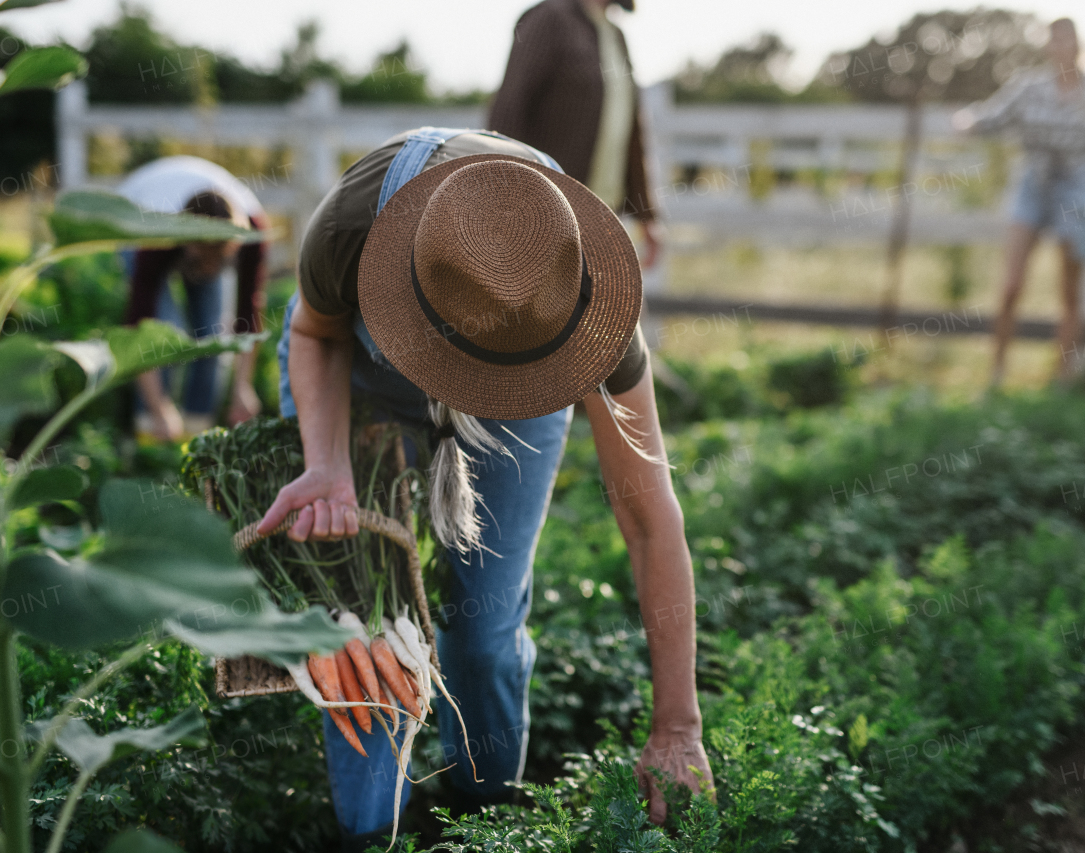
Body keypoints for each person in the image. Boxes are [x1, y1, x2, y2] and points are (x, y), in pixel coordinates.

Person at [256, 127, 712, 851]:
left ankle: (485, 820)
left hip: (520, 395)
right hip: (357, 376)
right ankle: (370, 834)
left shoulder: (588, 304)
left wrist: (678, 727)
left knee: (486, 625)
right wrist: (327, 464)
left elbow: (650, 516)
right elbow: (315, 332)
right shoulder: (352, 223)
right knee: (367, 623)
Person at [953, 18, 1085, 385]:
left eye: (1070, 40)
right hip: (1033, 184)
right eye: (1056, 40)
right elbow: (992, 117)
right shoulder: (1028, 88)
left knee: (1069, 290)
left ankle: (1062, 378)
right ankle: (996, 373)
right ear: (1049, 47)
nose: (1063, 47)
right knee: (1011, 285)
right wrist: (968, 121)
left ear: (1079, 46)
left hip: (1076, 189)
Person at [488, 0, 661, 270]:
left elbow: (630, 129)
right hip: (545, 218)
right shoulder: (549, 18)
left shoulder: (616, 35)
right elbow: (508, 110)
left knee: (615, 308)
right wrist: (501, 204)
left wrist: (646, 216)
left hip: (605, 217)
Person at [119, 156, 270, 440]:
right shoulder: (155, 241)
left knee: (213, 336)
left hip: (190, 231)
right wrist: (159, 408)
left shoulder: (253, 233)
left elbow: (247, 315)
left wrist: (242, 388)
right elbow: (138, 327)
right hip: (140, 218)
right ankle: (150, 434)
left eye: (219, 260)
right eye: (203, 259)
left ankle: (196, 434)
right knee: (164, 331)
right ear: (188, 244)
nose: (210, 270)